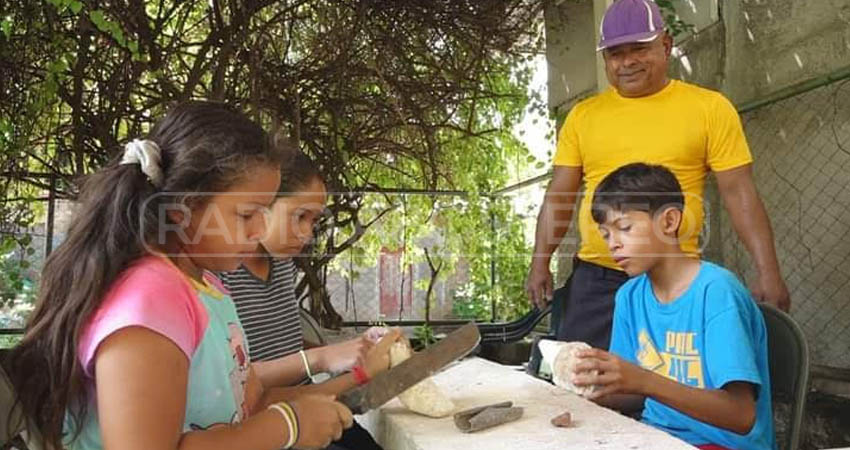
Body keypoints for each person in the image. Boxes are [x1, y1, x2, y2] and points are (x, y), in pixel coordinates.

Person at [5, 101, 375, 450]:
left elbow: (250, 404)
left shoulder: (207, 285)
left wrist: (344, 388)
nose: (260, 230)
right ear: (182, 210)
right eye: (247, 215)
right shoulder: (149, 304)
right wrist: (288, 425)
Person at [526, 0, 790, 351]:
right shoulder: (583, 116)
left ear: (665, 45)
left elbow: (739, 192)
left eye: (639, 48)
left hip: (674, 279)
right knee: (582, 375)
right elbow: (560, 193)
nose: (627, 62)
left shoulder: (709, 108)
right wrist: (540, 262)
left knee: (674, 377)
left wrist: (768, 271)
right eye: (616, 53)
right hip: (597, 281)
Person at [572, 163, 775, 450]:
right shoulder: (629, 296)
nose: (613, 244)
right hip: (656, 437)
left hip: (721, 444)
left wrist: (644, 380)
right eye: (605, 234)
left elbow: (741, 415)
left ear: (668, 222)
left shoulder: (716, 292)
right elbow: (633, 391)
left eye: (624, 228)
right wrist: (594, 387)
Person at [221, 151, 385, 450]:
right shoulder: (222, 276)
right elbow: (240, 380)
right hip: (267, 423)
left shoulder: (281, 262)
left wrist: (355, 350)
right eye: (299, 217)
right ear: (261, 204)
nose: (307, 234)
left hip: (308, 403)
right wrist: (326, 359)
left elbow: (284, 344)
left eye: (314, 220)